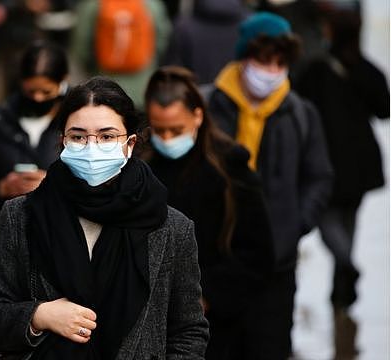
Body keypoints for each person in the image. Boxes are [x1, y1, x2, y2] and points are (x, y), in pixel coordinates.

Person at [0, 76, 209, 358]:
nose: (91, 147)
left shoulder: (171, 227)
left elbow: (188, 331)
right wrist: (39, 316)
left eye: (107, 136)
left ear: (130, 143)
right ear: (63, 142)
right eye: (78, 136)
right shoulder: (21, 216)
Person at [206, 12, 333, 359]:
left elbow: (319, 177)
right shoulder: (206, 107)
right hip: (215, 263)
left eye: (280, 61)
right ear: (245, 55)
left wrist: (295, 224)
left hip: (276, 265)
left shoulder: (301, 114)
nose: (272, 70)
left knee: (270, 348)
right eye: (264, 59)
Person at [142, 66, 274, 359]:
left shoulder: (231, 171)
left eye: (176, 130)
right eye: (159, 129)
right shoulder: (138, 167)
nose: (166, 138)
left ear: (198, 116)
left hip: (217, 324)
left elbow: (257, 252)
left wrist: (207, 294)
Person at [295, 2, 390, 357]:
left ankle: (344, 279)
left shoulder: (315, 71)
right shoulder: (366, 70)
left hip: (328, 163)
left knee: (330, 224)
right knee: (346, 227)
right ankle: (343, 290)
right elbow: (384, 107)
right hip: (360, 164)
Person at [0, 41, 69, 226]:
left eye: (46, 92)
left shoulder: (77, 126)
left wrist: (56, 186)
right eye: (31, 91)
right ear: (21, 82)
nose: (38, 98)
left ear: (62, 81)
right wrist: (0, 188)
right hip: (8, 234)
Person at [70, 0, 172, 108]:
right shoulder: (151, 4)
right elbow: (162, 41)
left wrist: (93, 69)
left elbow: (81, 46)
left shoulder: (93, 5)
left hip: (105, 88)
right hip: (142, 88)